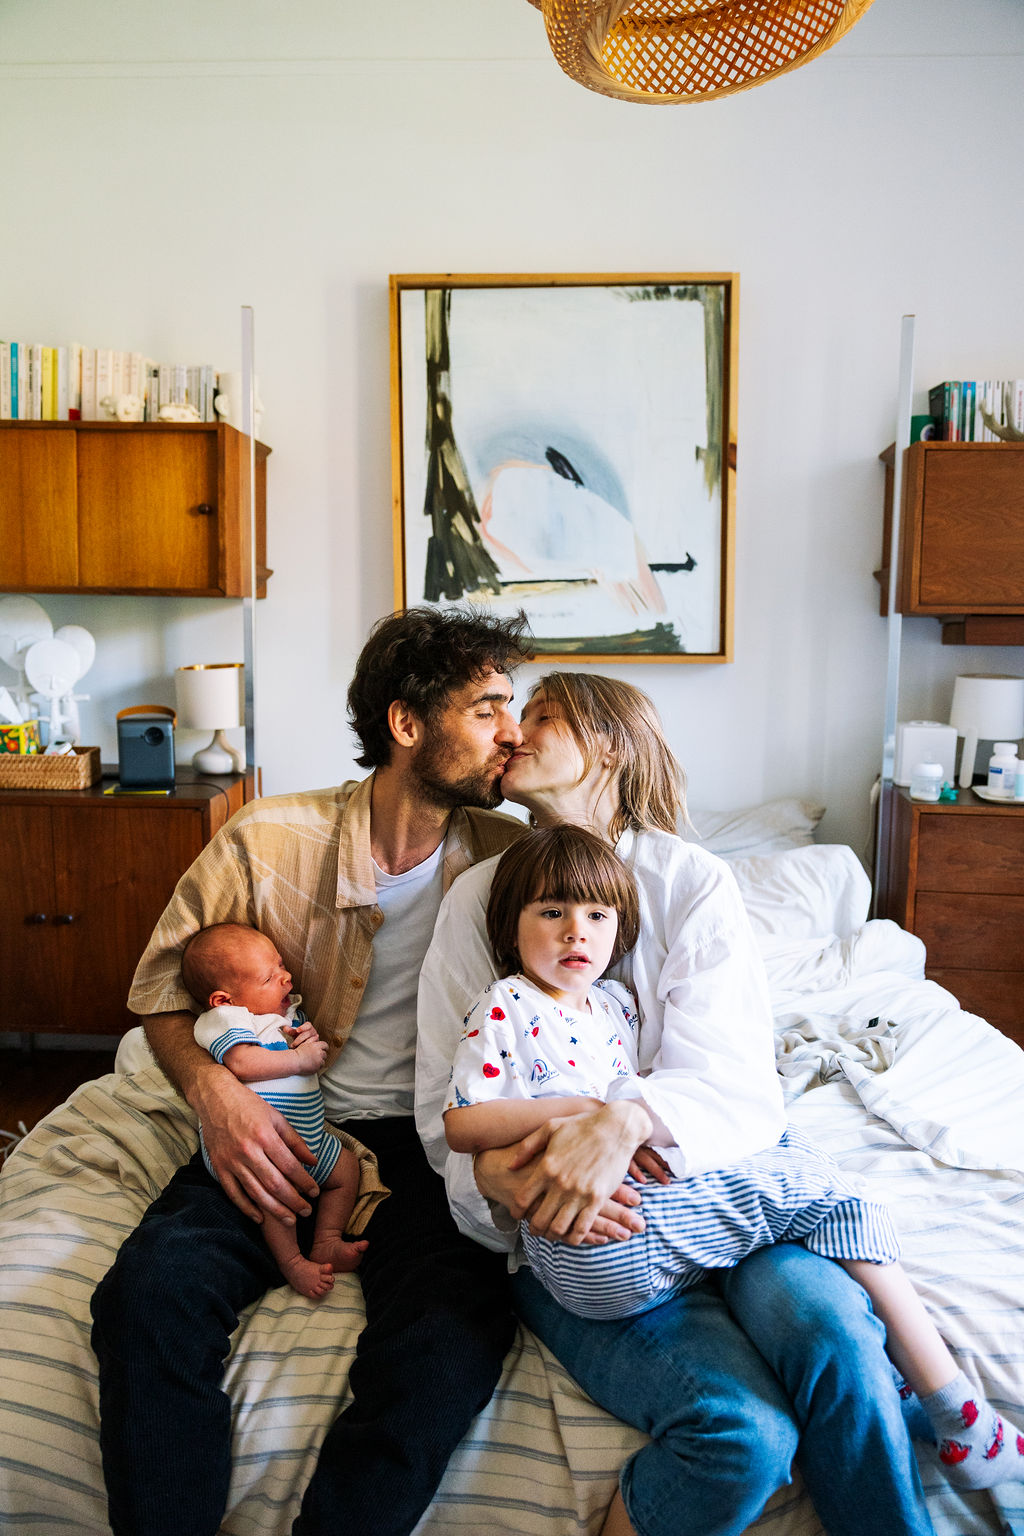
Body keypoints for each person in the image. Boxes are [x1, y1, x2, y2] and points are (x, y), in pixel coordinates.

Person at [416, 670, 939, 1536]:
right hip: (584, 1235)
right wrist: (504, 1188)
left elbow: (735, 1082)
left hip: (725, 1203)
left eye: (540, 717)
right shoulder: (481, 898)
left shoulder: (691, 880)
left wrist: (622, 1119)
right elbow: (449, 1100)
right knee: (742, 1432)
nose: (512, 733)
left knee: (838, 1343)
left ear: (610, 744)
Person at [90, 605, 533, 1536]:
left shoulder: (515, 860)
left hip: (430, 1144)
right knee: (147, 1297)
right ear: (407, 725)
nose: (513, 731)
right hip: (280, 1121)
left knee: (453, 1337)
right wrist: (215, 1096)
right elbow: (159, 989)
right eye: (490, 708)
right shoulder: (266, 839)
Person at [443, 824, 1024, 1495]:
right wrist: (583, 1115)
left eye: (596, 915)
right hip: (587, 1238)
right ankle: (957, 1408)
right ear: (510, 928)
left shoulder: (616, 1007)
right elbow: (463, 1123)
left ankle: (900, 1393)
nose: (577, 932)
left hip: (639, 1221)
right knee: (828, 1193)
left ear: (620, 929)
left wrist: (623, 1120)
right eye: (552, 913)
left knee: (791, 1195)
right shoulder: (505, 1003)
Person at [184, 922, 373, 1299]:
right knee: (274, 1199)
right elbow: (242, 1064)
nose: (287, 978)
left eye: (282, 966)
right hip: (260, 1147)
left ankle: (326, 1240)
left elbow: (301, 1052)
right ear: (224, 999)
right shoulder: (230, 1020)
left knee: (347, 1168)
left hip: (309, 1139)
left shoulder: (283, 1016)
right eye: (270, 977)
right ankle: (291, 1262)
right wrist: (302, 1059)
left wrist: (307, 1042)